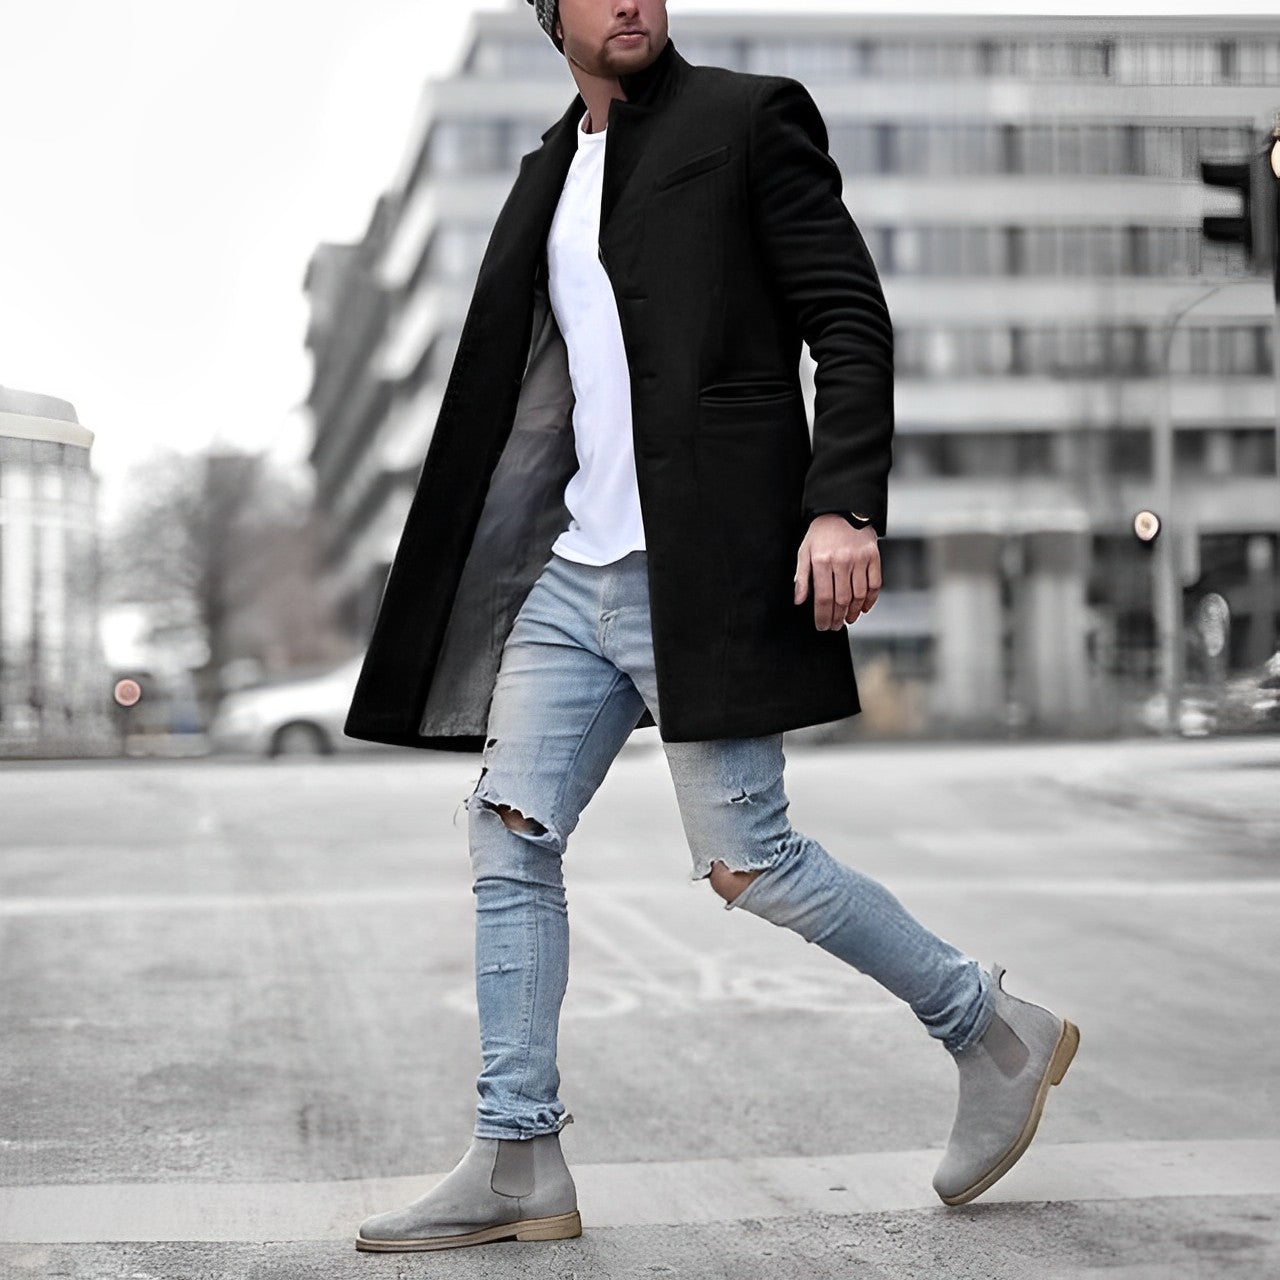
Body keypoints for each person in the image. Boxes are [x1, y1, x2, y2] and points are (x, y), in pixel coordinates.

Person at [352, 0, 1079, 1253]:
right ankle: (518, 1150)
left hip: (706, 567)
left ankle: (989, 1025)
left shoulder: (748, 118)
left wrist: (841, 502)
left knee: (750, 861)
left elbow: (847, 318)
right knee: (508, 831)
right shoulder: (545, 172)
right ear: (551, 16)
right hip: (573, 569)